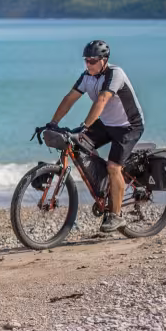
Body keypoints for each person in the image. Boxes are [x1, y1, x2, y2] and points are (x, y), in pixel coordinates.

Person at [47, 40, 145, 232]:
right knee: (76, 145)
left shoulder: (115, 74)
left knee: (114, 166)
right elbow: (69, 99)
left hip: (128, 126)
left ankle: (116, 216)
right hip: (107, 124)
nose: (89, 64)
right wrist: (53, 123)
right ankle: (103, 185)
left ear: (104, 60)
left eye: (93, 61)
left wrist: (84, 126)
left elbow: (101, 101)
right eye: (86, 61)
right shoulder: (87, 76)